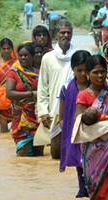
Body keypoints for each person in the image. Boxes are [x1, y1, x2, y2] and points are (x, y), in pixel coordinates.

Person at [37, 19, 77, 159]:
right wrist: (43, 112)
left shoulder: (78, 56)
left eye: (68, 32)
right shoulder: (48, 58)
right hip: (54, 112)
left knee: (75, 152)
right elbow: (43, 87)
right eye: (62, 32)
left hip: (75, 110)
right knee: (56, 154)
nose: (65, 35)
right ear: (56, 35)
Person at [59, 50, 91, 198]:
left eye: (86, 70)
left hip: (92, 130)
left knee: (92, 159)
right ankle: (82, 188)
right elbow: (62, 115)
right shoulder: (66, 88)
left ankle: (92, 187)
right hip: (75, 131)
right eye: (79, 70)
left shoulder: (97, 86)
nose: (83, 74)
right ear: (73, 69)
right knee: (79, 161)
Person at [6, 43, 44, 157]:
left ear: (32, 56)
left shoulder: (39, 72)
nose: (23, 58)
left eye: (26, 55)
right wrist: (32, 94)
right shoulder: (14, 72)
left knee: (38, 156)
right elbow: (9, 93)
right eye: (21, 55)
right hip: (21, 122)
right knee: (23, 155)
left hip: (38, 119)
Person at [75, 55, 108, 123]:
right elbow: (80, 123)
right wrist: (105, 118)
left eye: (102, 71)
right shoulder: (83, 96)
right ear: (88, 73)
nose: (100, 75)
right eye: (95, 72)